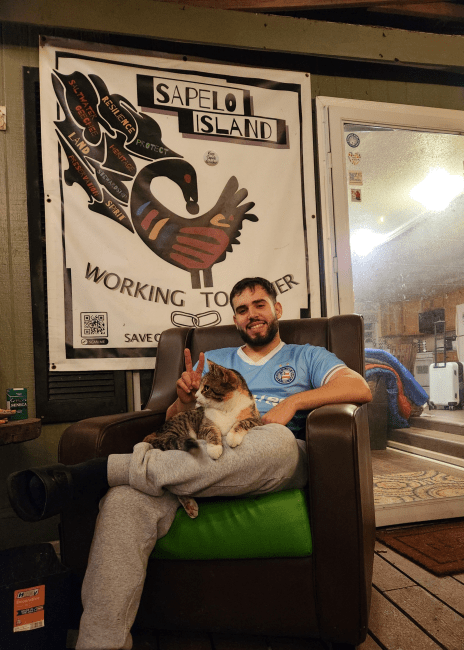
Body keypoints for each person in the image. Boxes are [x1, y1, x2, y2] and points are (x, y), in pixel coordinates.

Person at [7, 277, 371, 650]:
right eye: (242, 310)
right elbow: (175, 423)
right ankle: (100, 643)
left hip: (267, 455)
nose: (252, 315)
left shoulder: (307, 355)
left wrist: (292, 403)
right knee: (123, 503)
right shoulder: (214, 361)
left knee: (277, 441)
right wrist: (182, 400)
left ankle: (101, 472)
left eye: (259, 305)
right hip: (199, 454)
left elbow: (359, 387)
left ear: (276, 310)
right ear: (236, 319)